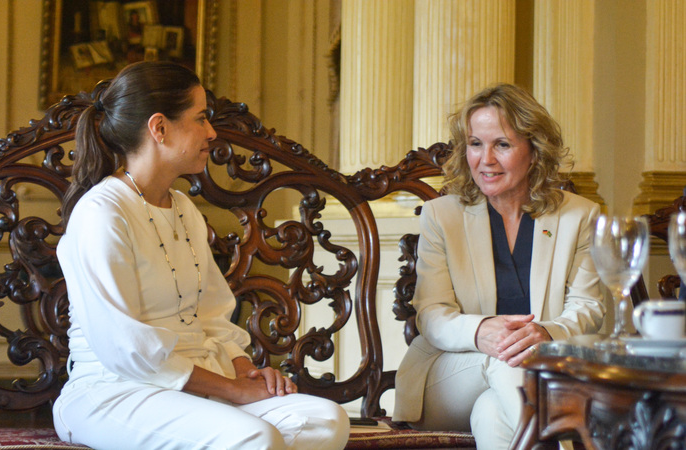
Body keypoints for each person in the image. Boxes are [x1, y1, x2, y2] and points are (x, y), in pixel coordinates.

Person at [53, 61, 350, 450]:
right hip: (115, 392)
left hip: (198, 382)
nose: (212, 132)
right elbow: (125, 349)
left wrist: (246, 373)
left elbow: (210, 314)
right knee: (255, 438)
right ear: (159, 129)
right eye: (201, 119)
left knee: (326, 422)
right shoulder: (102, 213)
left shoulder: (182, 207)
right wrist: (232, 390)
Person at [393, 83, 606, 449]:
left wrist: (546, 333)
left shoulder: (578, 215)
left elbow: (588, 308)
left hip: (536, 377)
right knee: (509, 360)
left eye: (502, 145)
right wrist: (482, 333)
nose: (485, 159)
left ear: (535, 151)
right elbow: (431, 314)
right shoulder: (441, 216)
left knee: (492, 414)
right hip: (449, 376)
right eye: (476, 144)